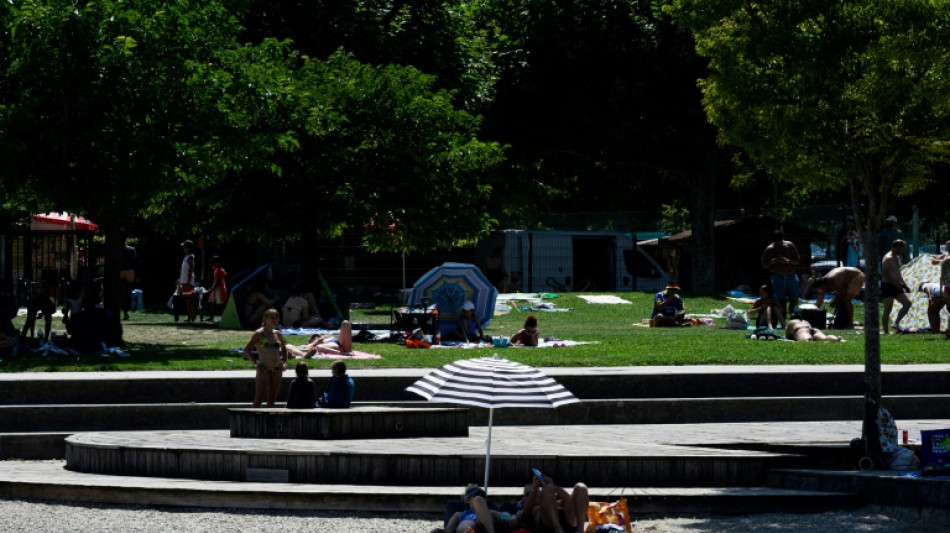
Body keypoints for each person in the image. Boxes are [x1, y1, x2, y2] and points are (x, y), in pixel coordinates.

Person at [242, 308, 288, 408]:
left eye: (276, 318)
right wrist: (256, 364)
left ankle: (269, 422)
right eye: (271, 318)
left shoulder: (278, 334)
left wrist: (285, 362)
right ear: (265, 318)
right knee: (259, 399)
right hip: (264, 369)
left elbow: (284, 349)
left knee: (272, 400)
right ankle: (252, 422)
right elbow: (247, 350)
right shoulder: (259, 334)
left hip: (277, 369)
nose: (274, 320)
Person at [518, 472, 589, 533]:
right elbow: (524, 516)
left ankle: (580, 530)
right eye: (528, 494)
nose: (535, 493)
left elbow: (568, 500)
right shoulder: (528, 508)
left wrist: (552, 486)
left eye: (537, 489)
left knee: (581, 487)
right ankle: (557, 528)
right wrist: (534, 491)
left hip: (567, 521)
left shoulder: (555, 502)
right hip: (547, 525)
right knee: (547, 488)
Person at [761, 230, 800, 319]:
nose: (778, 245)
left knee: (794, 298)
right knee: (780, 299)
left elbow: (797, 261)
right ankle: (782, 317)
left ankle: (794, 316)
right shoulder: (769, 249)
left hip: (791, 276)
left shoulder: (790, 245)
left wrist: (788, 260)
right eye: (776, 243)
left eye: (780, 243)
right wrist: (772, 261)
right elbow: (764, 265)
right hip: (777, 276)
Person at [881, 239, 912, 334]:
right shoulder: (888, 258)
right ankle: (886, 332)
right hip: (888, 285)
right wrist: (895, 283)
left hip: (897, 285)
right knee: (888, 309)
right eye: (902, 248)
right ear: (897, 247)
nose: (903, 250)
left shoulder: (897, 257)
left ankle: (896, 323)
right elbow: (884, 275)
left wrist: (904, 285)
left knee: (907, 303)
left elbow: (898, 272)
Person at [177, 239, 197, 322]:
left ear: (188, 247)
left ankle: (191, 317)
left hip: (188, 281)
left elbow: (190, 269)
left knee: (189, 299)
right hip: (184, 280)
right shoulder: (186, 256)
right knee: (188, 299)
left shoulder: (190, 257)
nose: (183, 248)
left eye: (184, 247)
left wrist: (188, 281)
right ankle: (190, 316)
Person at [119, 239, 138, 320]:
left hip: (120, 271)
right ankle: (126, 312)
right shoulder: (132, 249)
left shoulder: (116, 250)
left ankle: (119, 310)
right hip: (130, 271)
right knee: (128, 291)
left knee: (120, 292)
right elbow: (135, 261)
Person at [205, 255, 227, 322]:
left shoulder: (218, 270)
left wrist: (211, 289)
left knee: (220, 304)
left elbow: (216, 281)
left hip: (218, 288)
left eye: (214, 263)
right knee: (210, 302)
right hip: (216, 288)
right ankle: (211, 317)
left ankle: (222, 317)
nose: (213, 264)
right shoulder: (218, 270)